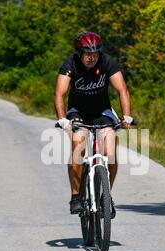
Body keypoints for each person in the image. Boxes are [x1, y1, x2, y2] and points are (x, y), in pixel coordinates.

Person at [54, 31, 133, 216]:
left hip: (102, 111)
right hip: (77, 112)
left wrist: (127, 115)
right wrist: (62, 118)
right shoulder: (70, 64)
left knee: (110, 153)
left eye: (95, 53)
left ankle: (107, 196)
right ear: (79, 53)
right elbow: (59, 93)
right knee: (77, 146)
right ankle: (75, 196)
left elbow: (122, 89)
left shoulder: (107, 62)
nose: (91, 57)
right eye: (87, 54)